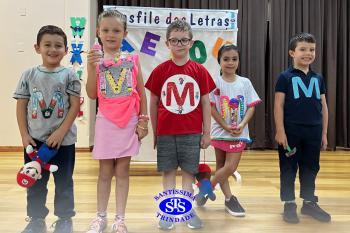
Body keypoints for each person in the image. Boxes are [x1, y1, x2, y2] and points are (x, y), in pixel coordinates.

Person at [145, 20, 216, 230]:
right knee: (168, 172)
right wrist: (155, 131)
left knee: (188, 172)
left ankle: (186, 209)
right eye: (175, 40)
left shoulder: (199, 71)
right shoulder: (160, 70)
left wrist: (207, 132)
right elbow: (153, 101)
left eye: (184, 40)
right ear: (167, 43)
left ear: (191, 43)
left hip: (192, 132)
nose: (179, 44)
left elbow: (205, 102)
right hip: (166, 132)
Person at [14, 25, 81, 233]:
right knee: (34, 182)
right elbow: (21, 106)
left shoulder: (70, 75)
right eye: (47, 45)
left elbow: (75, 106)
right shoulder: (28, 75)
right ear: (37, 47)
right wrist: (25, 135)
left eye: (58, 45)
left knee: (63, 182)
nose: (53, 49)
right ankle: (36, 219)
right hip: (35, 142)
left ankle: (64, 219)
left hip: (64, 142)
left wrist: (61, 132)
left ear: (66, 50)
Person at [85, 10, 148, 233]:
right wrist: (92, 68)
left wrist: (143, 120)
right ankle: (100, 216)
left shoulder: (132, 60)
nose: (111, 34)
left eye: (116, 30)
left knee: (122, 171)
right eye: (106, 30)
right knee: (104, 172)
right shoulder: (95, 60)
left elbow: (141, 92)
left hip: (129, 121)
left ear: (125, 33)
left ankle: (120, 219)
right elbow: (92, 94)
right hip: (105, 121)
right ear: (98, 32)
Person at [274, 32, 331, 224]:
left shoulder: (318, 78)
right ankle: (289, 203)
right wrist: (280, 130)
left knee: (311, 167)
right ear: (292, 53)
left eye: (312, 50)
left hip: (313, 132)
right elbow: (278, 105)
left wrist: (324, 132)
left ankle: (308, 202)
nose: (308, 53)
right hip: (291, 132)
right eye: (303, 49)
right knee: (289, 167)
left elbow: (323, 106)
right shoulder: (285, 77)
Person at [200, 44, 261, 216]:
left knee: (230, 167)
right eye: (226, 59)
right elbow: (211, 108)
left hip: (239, 133)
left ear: (238, 61)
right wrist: (225, 125)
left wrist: (241, 125)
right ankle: (229, 199)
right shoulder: (214, 82)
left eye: (234, 59)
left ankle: (206, 188)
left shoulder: (245, 82)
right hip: (220, 132)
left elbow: (251, 107)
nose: (230, 62)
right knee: (221, 166)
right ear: (219, 61)